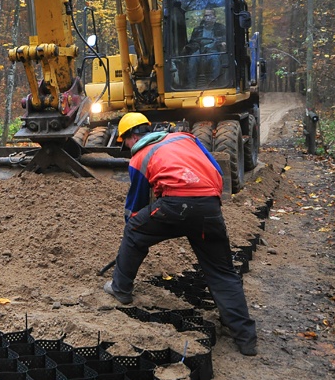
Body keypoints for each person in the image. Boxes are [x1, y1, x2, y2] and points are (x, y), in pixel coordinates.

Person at [103, 112, 257, 356]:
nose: (127, 147)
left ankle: (120, 288)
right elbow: (215, 168)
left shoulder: (140, 158)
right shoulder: (185, 138)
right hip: (209, 206)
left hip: (174, 207)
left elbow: (137, 204)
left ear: (132, 137)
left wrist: (133, 225)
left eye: (125, 142)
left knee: (134, 230)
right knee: (222, 271)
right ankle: (246, 338)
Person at [185, 8, 227, 87]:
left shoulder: (221, 28)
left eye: (209, 15)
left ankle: (213, 84)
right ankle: (191, 84)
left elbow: (224, 39)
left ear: (214, 17)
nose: (207, 18)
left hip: (214, 51)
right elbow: (193, 42)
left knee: (215, 59)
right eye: (205, 15)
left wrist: (222, 43)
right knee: (192, 59)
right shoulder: (197, 30)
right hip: (200, 51)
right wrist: (189, 47)